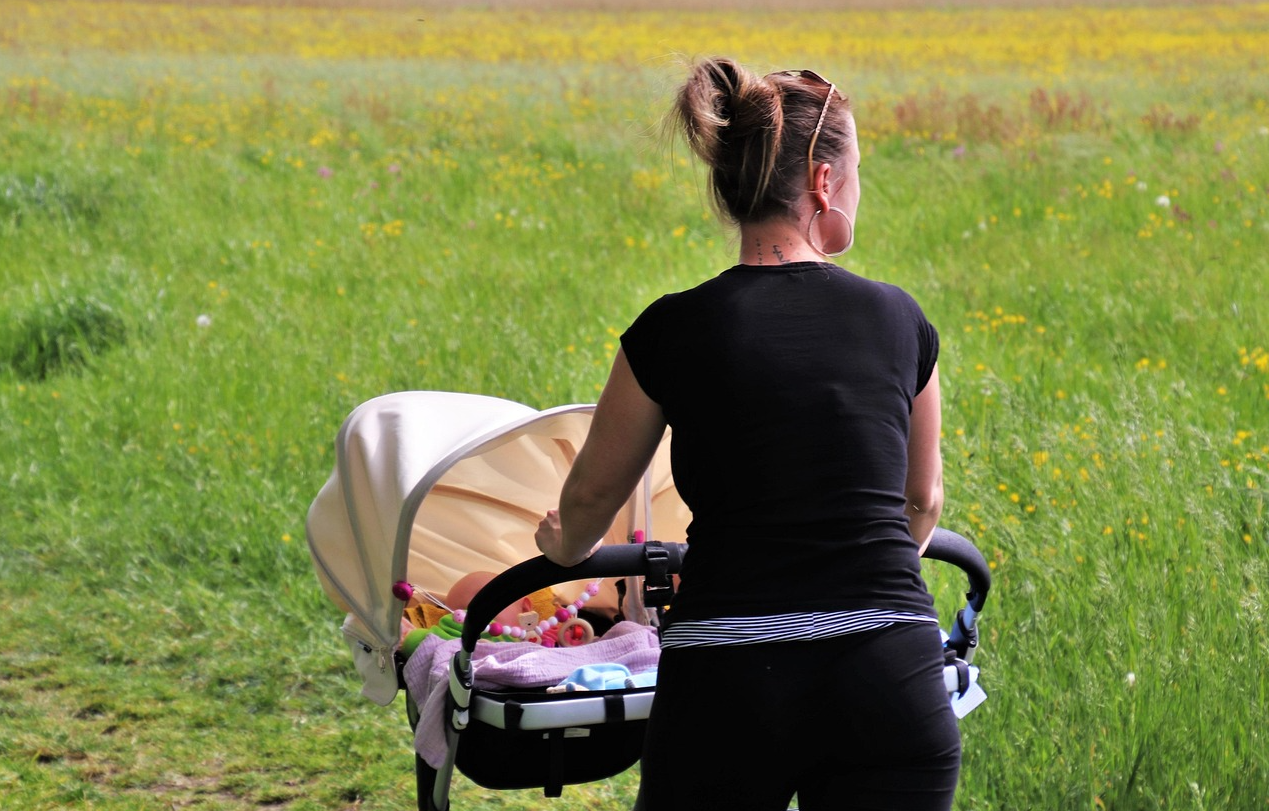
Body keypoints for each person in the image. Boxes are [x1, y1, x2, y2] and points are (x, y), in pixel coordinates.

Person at [535, 56, 958, 811]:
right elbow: (920, 501)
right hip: (887, 671)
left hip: (729, 677)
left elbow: (594, 493)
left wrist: (561, 545)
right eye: (858, 170)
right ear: (824, 183)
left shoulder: (668, 330)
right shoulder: (900, 319)